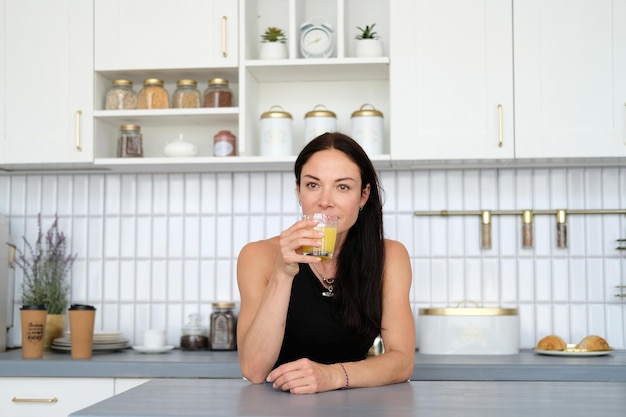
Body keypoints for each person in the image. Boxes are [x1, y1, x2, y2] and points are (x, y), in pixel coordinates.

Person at [236, 132, 415, 394]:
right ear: (298, 191)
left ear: (364, 196)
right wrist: (282, 275)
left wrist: (331, 375)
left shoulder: (391, 256)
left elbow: (402, 362)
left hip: (357, 406)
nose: (325, 201)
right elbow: (253, 370)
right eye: (313, 185)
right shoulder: (258, 256)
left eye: (342, 187)